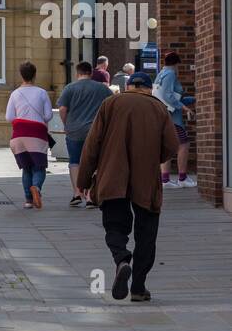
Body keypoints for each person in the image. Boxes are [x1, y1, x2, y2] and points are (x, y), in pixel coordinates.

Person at [77, 70, 179, 302]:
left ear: (129, 86)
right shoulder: (159, 108)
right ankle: (138, 288)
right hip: (146, 180)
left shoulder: (110, 104)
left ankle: (122, 259)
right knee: (146, 233)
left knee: (115, 226)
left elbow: (92, 145)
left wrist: (83, 180)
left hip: (113, 177)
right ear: (149, 88)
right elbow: (172, 146)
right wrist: (154, 157)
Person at [57, 61, 113, 207]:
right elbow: (112, 106)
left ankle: (77, 193)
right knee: (94, 162)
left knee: (74, 161)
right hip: (95, 131)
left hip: (74, 131)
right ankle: (90, 196)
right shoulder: (102, 89)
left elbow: (62, 109)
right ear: (91, 73)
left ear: (77, 73)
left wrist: (66, 125)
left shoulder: (70, 88)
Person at [6, 61, 53, 209]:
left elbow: (9, 117)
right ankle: (36, 188)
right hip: (37, 134)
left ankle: (28, 200)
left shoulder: (15, 94)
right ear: (35, 75)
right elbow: (48, 115)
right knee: (39, 167)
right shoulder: (42, 92)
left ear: (21, 75)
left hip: (19, 135)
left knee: (26, 168)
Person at [154, 52, 196, 188]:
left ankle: (165, 179)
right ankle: (182, 178)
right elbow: (168, 95)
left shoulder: (161, 74)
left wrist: (189, 101)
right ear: (176, 64)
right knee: (183, 144)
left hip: (164, 115)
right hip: (173, 118)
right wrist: (184, 107)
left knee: (166, 145)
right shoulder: (170, 74)